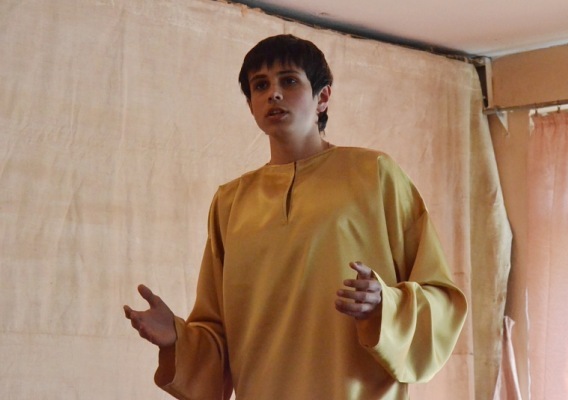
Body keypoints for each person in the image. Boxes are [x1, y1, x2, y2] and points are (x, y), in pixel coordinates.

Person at [124, 34, 467, 400]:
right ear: (251, 106)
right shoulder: (230, 202)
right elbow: (218, 338)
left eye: (288, 81)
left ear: (323, 97)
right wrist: (177, 338)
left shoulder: (375, 174)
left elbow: (440, 300)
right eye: (260, 85)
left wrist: (385, 306)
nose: (273, 93)